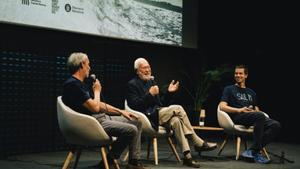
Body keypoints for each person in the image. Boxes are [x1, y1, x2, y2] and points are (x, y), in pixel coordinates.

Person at [126, 58, 217, 168]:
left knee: (176, 121)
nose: (148, 70)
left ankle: (187, 158)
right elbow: (134, 105)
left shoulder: (151, 82)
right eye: (145, 68)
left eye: (149, 67)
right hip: (146, 117)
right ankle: (196, 141)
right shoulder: (132, 84)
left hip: (158, 113)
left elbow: (161, 103)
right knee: (178, 108)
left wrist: (169, 92)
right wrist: (149, 95)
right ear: (137, 71)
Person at [62, 52, 146, 169]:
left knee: (137, 121)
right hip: (92, 123)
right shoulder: (72, 85)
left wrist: (121, 111)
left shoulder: (80, 84)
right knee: (131, 129)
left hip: (100, 118)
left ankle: (134, 162)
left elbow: (99, 104)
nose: (89, 67)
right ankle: (109, 159)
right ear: (81, 65)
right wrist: (97, 91)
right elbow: (95, 107)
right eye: (88, 64)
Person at [219, 64, 281, 164]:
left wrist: (256, 111)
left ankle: (252, 150)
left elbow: (257, 109)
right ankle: (256, 152)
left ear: (246, 75)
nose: (238, 75)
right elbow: (222, 106)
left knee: (276, 125)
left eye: (240, 73)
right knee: (259, 116)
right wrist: (239, 110)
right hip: (238, 116)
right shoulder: (229, 89)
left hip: (253, 117)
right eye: (236, 73)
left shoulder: (251, 92)